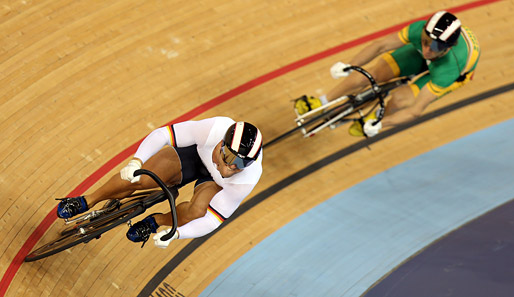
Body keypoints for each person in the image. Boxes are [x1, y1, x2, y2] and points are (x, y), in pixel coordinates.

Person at [55, 117, 263, 248]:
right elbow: (164, 134)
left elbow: (212, 220)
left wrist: (176, 234)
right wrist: (136, 161)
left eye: (239, 165)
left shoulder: (246, 180)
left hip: (212, 182)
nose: (229, 168)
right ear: (221, 143)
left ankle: (154, 222)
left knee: (197, 212)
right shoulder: (214, 128)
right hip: (194, 156)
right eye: (228, 158)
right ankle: (86, 200)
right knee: (139, 178)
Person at [295, 10, 480, 137]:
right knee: (373, 73)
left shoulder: (449, 69)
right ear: (423, 31)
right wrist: (349, 65)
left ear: (448, 47)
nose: (428, 50)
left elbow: (415, 111)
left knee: (401, 100)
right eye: (424, 41)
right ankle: (321, 102)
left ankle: (375, 117)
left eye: (436, 46)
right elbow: (380, 45)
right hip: (438, 59)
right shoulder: (419, 30)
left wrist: (382, 125)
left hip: (448, 71)